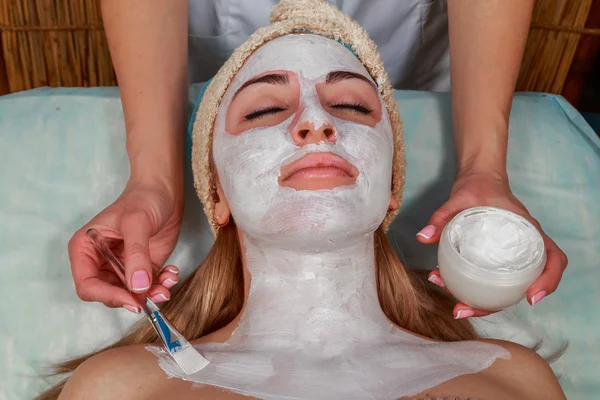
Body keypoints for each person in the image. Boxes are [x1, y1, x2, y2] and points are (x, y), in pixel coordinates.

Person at [42, 3, 565, 398]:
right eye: (264, 109)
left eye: (350, 105)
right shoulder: (122, 385)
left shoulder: (511, 375)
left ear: (390, 188)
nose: (317, 122)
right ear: (216, 193)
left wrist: (484, 169)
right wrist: (153, 180)